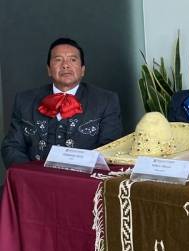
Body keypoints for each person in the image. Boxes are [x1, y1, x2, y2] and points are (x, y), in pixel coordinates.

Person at [1, 37, 122, 167]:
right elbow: (12, 146)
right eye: (58, 60)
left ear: (82, 70)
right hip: (34, 180)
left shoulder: (106, 100)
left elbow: (111, 149)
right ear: (48, 69)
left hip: (83, 182)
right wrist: (30, 174)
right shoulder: (24, 100)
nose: (65, 65)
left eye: (73, 60)